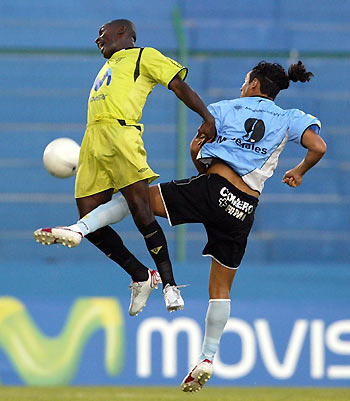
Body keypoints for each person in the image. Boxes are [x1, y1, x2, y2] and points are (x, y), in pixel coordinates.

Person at [34, 60, 326, 392]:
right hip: (244, 208)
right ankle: (206, 358)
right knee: (220, 289)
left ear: (256, 84)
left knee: (137, 200)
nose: (243, 86)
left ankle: (80, 229)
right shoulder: (291, 118)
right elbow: (318, 147)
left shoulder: (224, 110)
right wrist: (299, 171)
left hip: (213, 189)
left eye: (246, 81)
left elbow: (205, 164)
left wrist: (193, 151)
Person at [34, 19, 216, 316]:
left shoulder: (144, 55)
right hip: (92, 139)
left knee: (141, 212)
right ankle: (141, 276)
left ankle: (169, 284)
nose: (98, 40)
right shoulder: (109, 64)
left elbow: (178, 86)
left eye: (101, 34)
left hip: (121, 135)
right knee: (89, 223)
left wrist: (206, 118)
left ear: (123, 33)